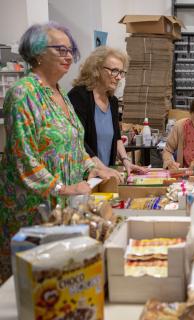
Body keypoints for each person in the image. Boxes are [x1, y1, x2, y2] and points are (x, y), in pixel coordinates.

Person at [0, 22, 117, 281]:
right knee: (28, 289)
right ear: (38, 52)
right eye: (60, 49)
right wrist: (63, 189)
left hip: (59, 209)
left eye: (70, 50)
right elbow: (24, 158)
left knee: (57, 285)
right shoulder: (23, 94)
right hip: (31, 211)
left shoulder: (60, 94)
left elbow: (74, 143)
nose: (68, 56)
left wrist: (91, 166)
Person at [68, 46, 147, 176]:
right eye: (114, 71)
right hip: (85, 175)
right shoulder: (79, 96)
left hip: (106, 174)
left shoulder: (112, 101)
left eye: (121, 72)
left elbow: (117, 137)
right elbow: (78, 140)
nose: (118, 77)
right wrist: (101, 169)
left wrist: (126, 161)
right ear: (97, 69)